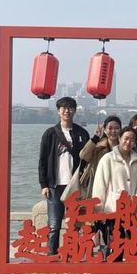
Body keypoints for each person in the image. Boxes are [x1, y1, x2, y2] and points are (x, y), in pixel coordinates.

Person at [38, 97, 89, 255]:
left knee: (74, 223)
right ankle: (51, 254)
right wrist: (44, 185)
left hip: (75, 186)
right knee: (54, 224)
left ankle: (72, 254)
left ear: (75, 110)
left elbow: (88, 158)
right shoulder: (50, 134)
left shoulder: (81, 133)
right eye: (64, 108)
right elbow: (42, 160)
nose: (67, 111)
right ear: (58, 111)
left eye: (70, 108)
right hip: (55, 185)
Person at [91, 127, 137, 259]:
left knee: (135, 249)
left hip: (133, 212)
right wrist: (98, 210)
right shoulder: (108, 159)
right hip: (113, 211)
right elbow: (100, 186)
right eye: (126, 138)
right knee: (115, 249)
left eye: (132, 140)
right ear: (119, 139)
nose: (128, 142)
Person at [79, 115, 121, 199]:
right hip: (98, 186)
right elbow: (83, 155)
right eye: (110, 128)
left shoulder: (124, 148)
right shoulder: (98, 148)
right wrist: (95, 137)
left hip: (117, 187)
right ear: (105, 130)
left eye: (116, 128)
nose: (113, 131)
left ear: (120, 130)